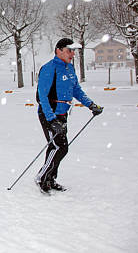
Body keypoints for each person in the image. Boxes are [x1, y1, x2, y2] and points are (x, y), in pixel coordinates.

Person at [35, 38, 104, 195]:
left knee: (58, 147)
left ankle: (50, 179)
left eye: (74, 51)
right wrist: (51, 119)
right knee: (60, 146)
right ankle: (42, 177)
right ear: (58, 50)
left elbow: (76, 90)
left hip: (62, 113)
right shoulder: (49, 68)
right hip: (49, 113)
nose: (73, 54)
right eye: (69, 50)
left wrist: (91, 105)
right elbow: (42, 96)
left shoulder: (70, 68)